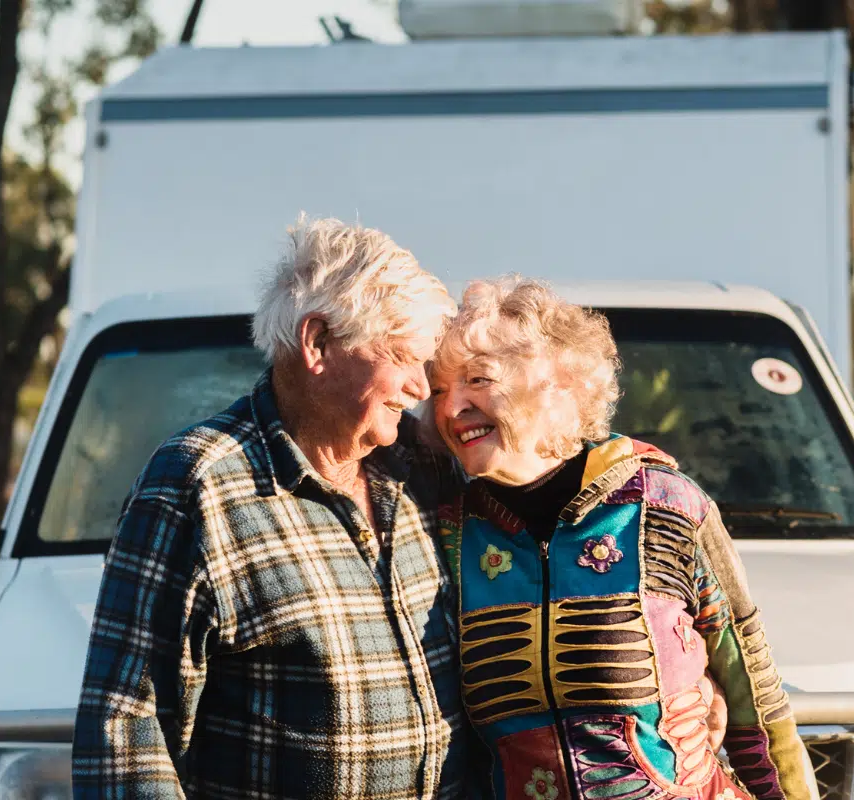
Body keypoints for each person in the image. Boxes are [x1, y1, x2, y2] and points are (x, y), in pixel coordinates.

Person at [72, 214, 469, 799]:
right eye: (405, 357)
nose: (421, 387)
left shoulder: (423, 466)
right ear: (318, 342)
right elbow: (129, 734)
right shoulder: (198, 486)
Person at [428, 277, 816, 800]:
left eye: (477, 380)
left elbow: (755, 700)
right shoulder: (451, 532)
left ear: (559, 382)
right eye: (437, 392)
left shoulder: (670, 505)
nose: (451, 409)